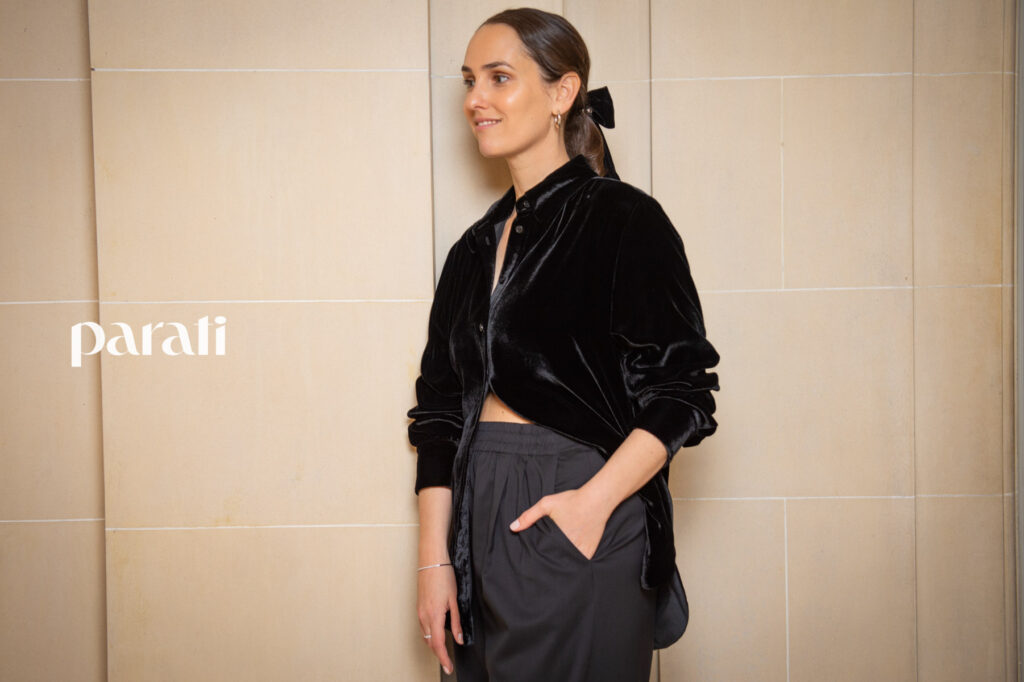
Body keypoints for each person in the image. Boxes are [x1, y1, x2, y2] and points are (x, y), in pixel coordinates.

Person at [407, 7, 720, 681]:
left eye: (499, 77)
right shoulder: (470, 250)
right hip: (473, 515)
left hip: (575, 500)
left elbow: (683, 392)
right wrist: (434, 561)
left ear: (563, 92)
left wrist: (591, 503)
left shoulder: (624, 219)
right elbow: (437, 413)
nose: (475, 99)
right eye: (469, 80)